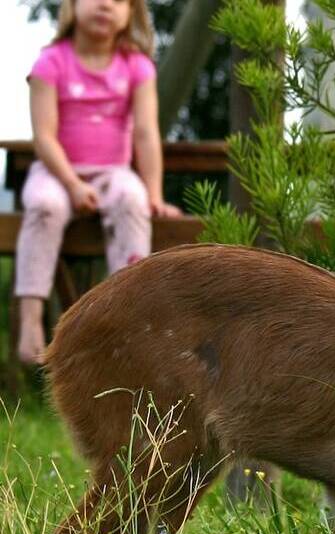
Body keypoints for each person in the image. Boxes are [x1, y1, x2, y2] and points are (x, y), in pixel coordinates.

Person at [16, 0, 180, 365]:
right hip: (58, 172)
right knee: (45, 206)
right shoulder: (51, 62)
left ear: (131, 13)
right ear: (72, 6)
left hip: (113, 172)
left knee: (132, 200)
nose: (105, 3)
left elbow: (146, 134)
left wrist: (154, 193)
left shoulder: (136, 66)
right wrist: (73, 185)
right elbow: (44, 137)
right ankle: (30, 320)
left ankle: (132, 317)